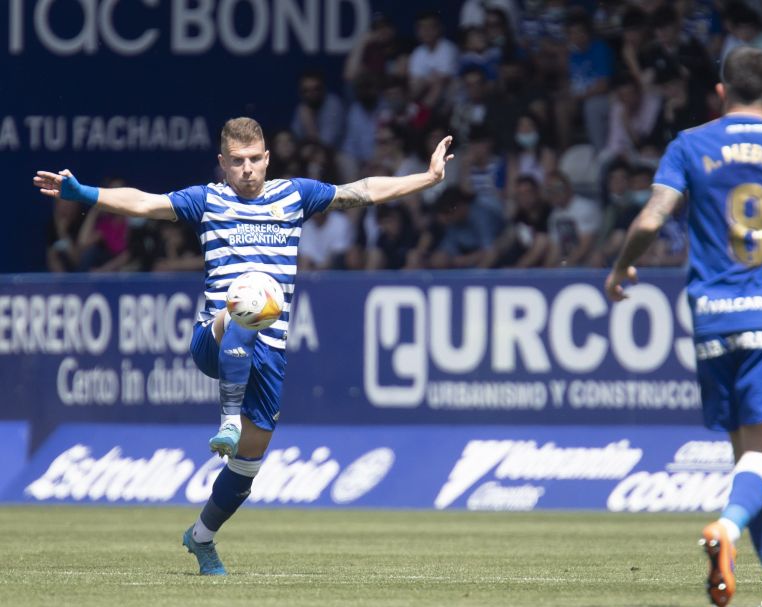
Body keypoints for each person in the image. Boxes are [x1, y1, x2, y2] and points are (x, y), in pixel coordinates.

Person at [33, 117, 454, 575]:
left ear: (268, 158)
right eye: (237, 161)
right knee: (250, 295)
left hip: (267, 352)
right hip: (212, 336)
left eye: (255, 159)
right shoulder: (207, 201)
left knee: (249, 464)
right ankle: (228, 418)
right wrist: (85, 193)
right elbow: (145, 203)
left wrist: (428, 178)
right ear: (222, 164)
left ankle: (201, 537)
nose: (247, 168)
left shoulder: (295, 195)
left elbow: (364, 189)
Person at [604, 47, 762, 607]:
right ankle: (726, 528)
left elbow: (650, 219)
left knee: (748, 458)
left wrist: (621, 268)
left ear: (720, 92)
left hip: (712, 315)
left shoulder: (689, 144)